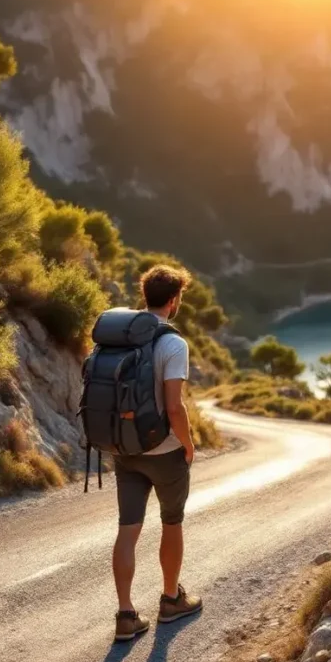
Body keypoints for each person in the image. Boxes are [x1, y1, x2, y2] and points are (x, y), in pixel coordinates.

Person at [112, 264, 203, 642]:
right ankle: (170, 600)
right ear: (173, 299)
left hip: (124, 448)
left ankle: (126, 615)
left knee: (127, 531)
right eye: (179, 296)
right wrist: (187, 443)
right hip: (163, 452)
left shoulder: (119, 338)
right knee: (172, 522)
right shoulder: (172, 343)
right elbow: (175, 406)